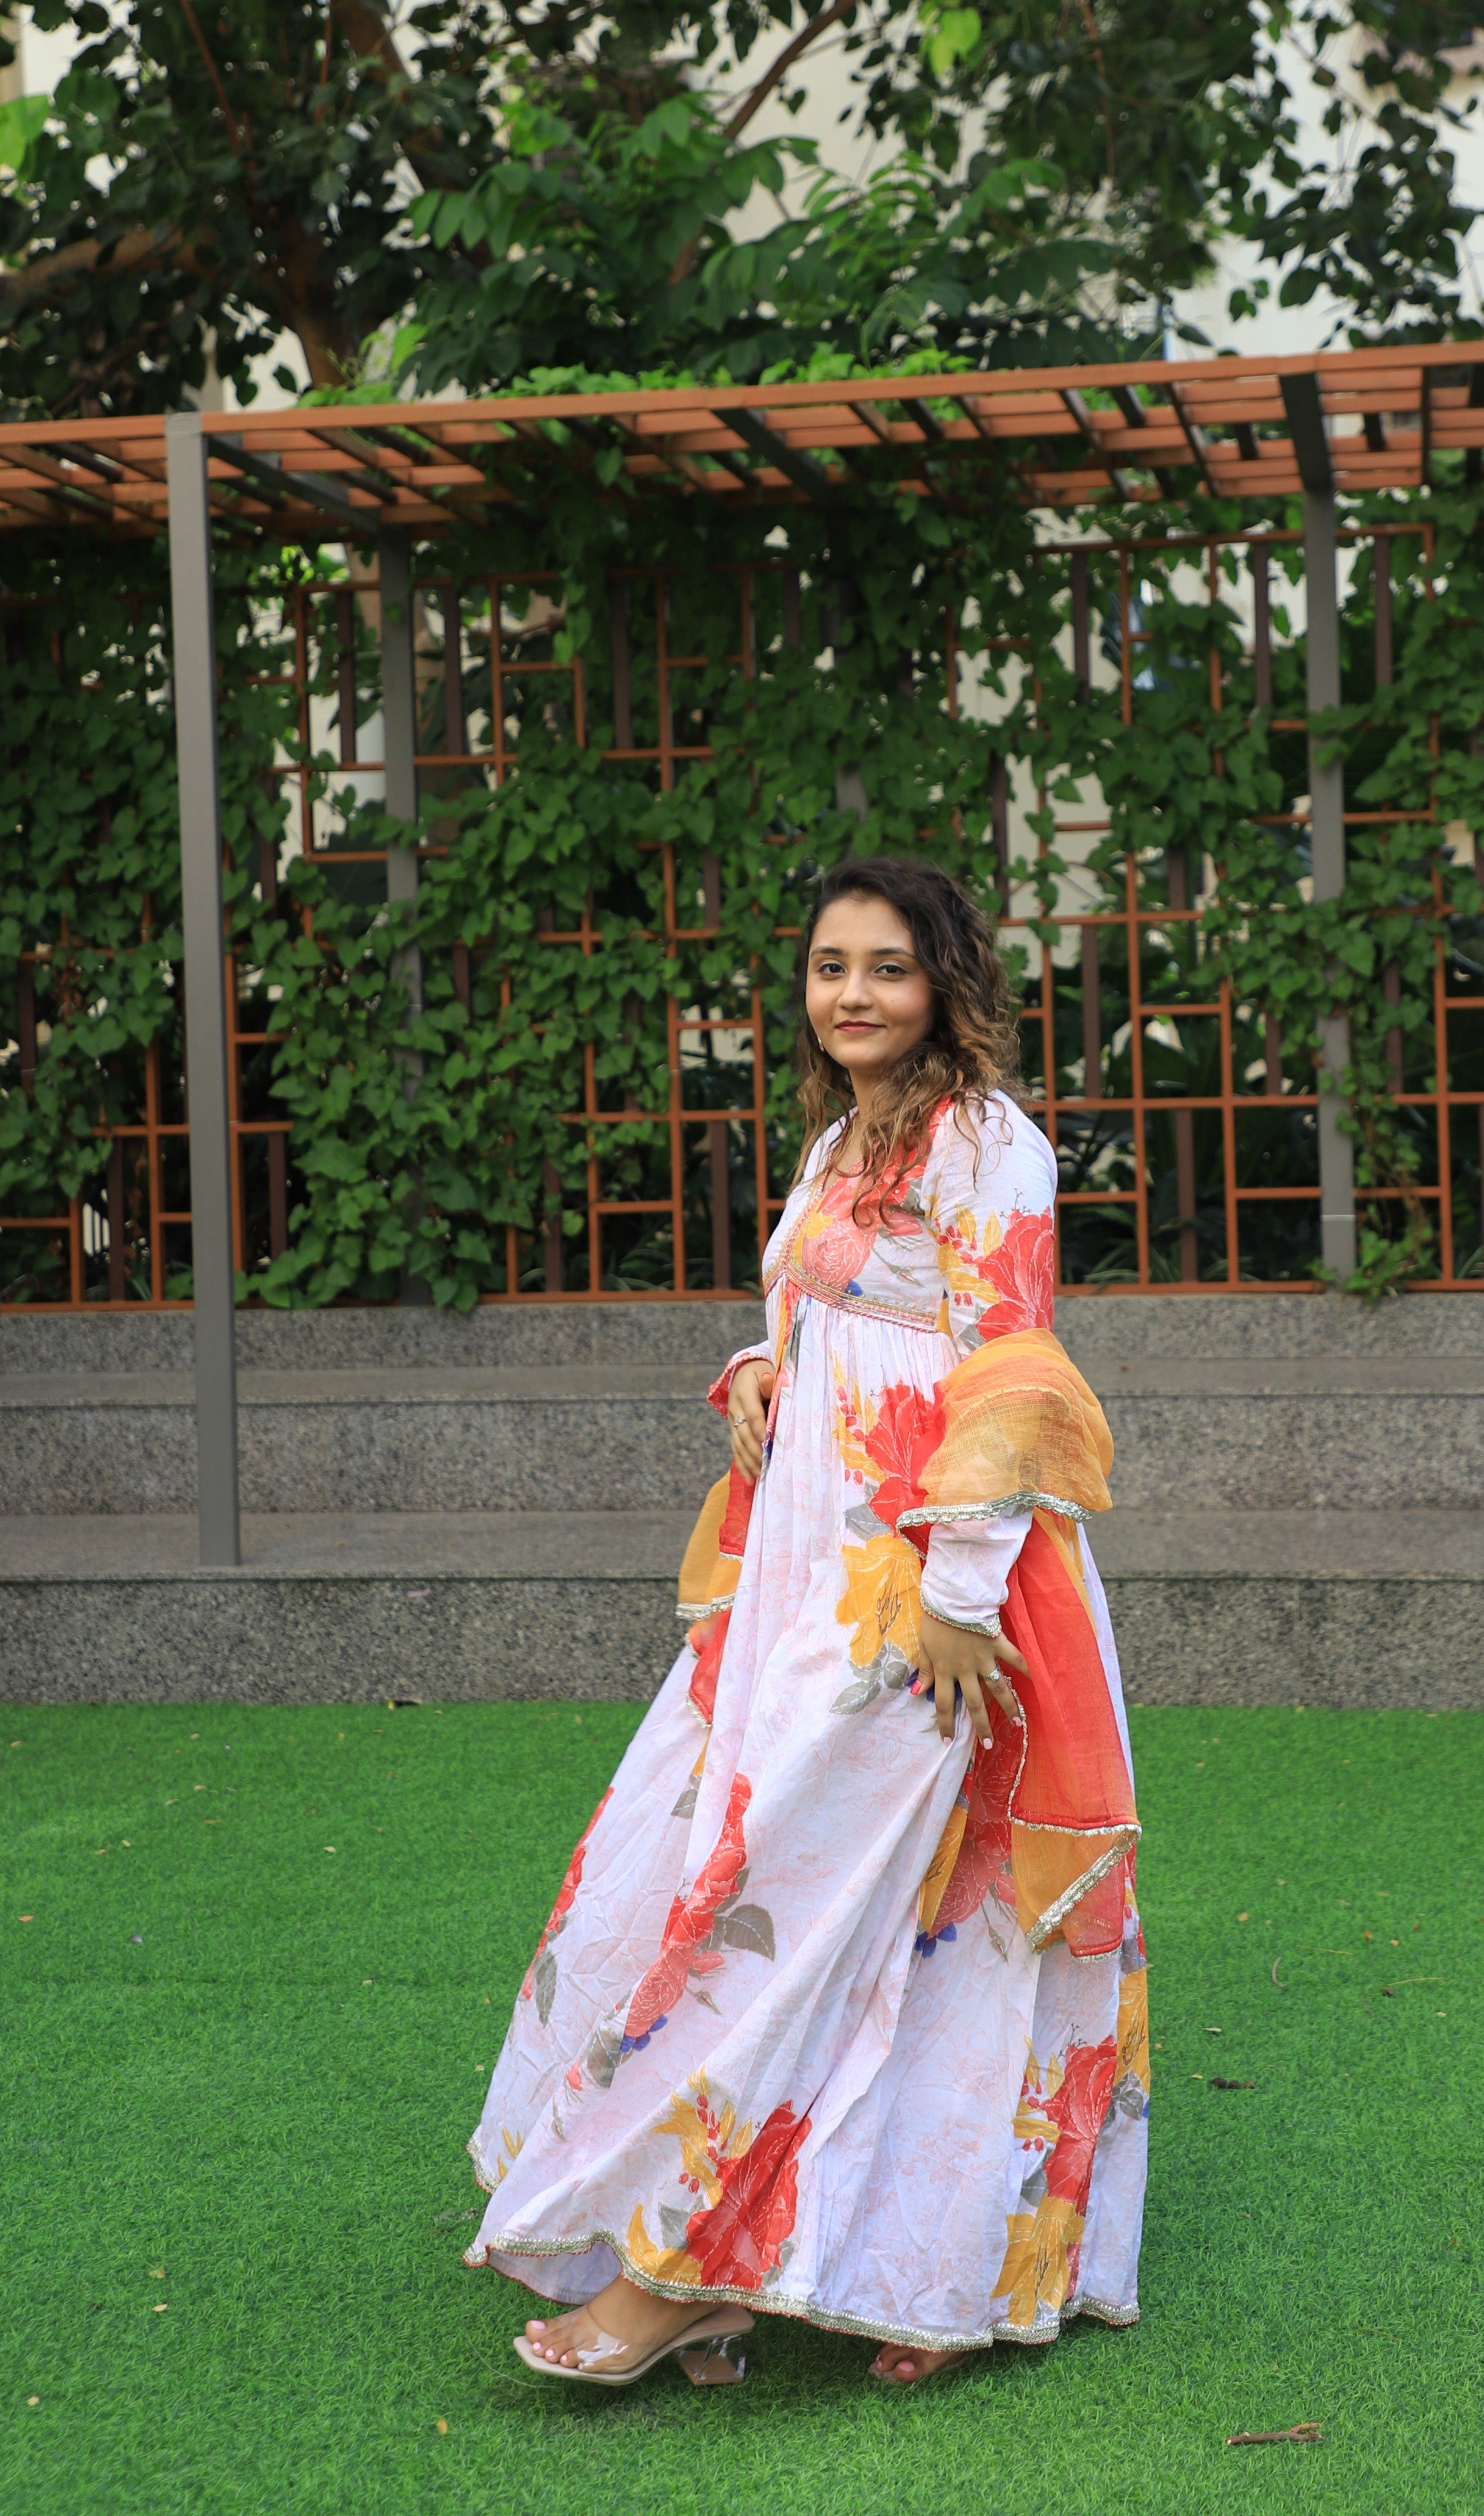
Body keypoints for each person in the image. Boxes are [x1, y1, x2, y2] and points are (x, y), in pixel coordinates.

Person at [465, 856, 1148, 2389]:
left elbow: (1010, 1366)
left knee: (809, 1893)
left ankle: (682, 2269)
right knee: (808, 1884)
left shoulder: (987, 1141)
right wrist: (761, 1362)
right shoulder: (847, 1136)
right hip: (803, 1560)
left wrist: (965, 1596)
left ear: (946, 981)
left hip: (919, 1582)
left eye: (887, 967)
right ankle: (887, 2264)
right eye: (831, 967)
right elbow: (831, 1304)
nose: (853, 994)